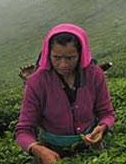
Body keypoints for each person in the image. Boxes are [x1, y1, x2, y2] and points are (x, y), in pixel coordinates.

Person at [15, 23, 116, 164]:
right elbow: (23, 131)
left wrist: (103, 127)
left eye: (70, 58)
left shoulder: (94, 74)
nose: (63, 65)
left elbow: (107, 113)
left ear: (81, 54)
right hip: (51, 153)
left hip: (92, 146)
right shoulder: (36, 82)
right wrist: (38, 149)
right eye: (56, 57)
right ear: (47, 54)